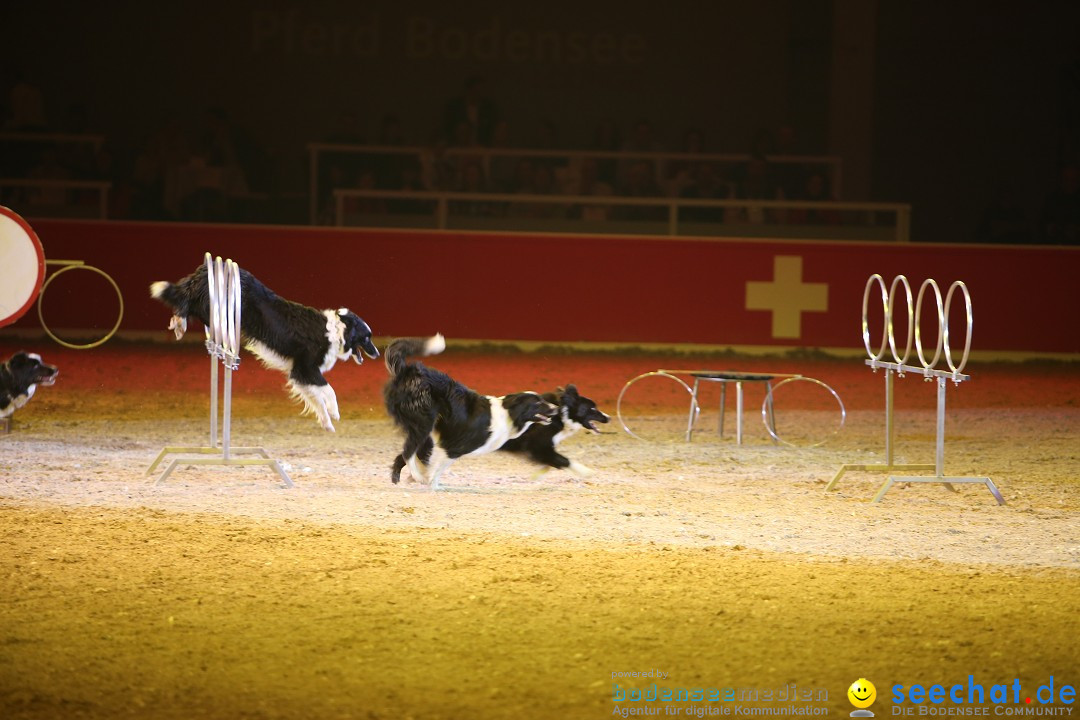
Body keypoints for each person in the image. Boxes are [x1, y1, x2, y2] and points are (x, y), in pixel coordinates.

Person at [442, 75, 499, 147]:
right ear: (468, 90)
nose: (478, 95)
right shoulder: (454, 108)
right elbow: (447, 129)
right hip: (458, 150)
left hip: (482, 150)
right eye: (476, 91)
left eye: (481, 92)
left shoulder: (489, 110)